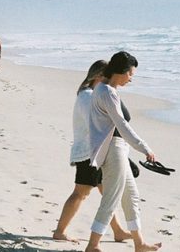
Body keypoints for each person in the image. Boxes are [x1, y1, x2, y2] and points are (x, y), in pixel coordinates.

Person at [85, 51, 161, 252]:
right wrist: (144, 148)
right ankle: (92, 245)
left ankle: (139, 243)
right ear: (121, 71)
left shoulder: (103, 89)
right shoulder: (107, 92)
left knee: (131, 196)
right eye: (130, 74)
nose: (131, 79)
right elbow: (122, 126)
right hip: (113, 149)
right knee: (111, 198)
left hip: (117, 148)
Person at [53, 60, 130, 242]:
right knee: (81, 192)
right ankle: (59, 232)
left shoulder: (91, 94)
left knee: (107, 193)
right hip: (89, 153)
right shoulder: (88, 96)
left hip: (95, 152)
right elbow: (102, 123)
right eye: (108, 75)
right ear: (98, 76)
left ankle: (118, 231)